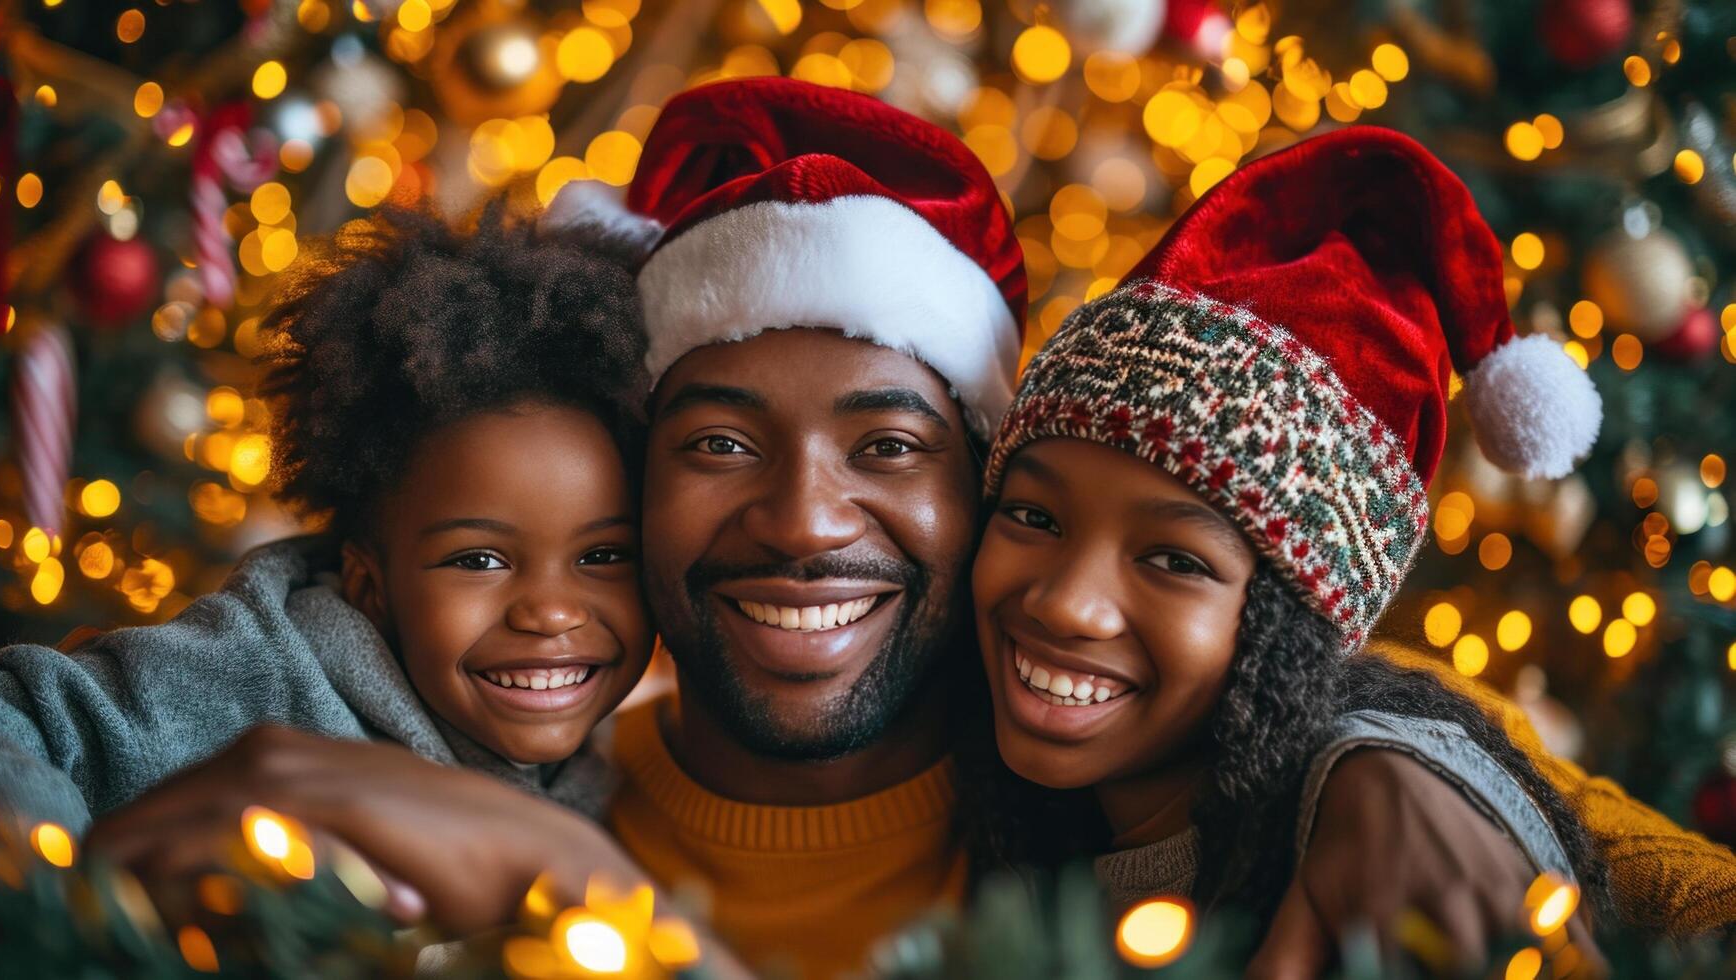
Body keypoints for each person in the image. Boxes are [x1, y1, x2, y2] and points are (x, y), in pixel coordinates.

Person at [84, 81, 1736, 978]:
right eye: (717, 441)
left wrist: (1404, 760)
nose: (802, 521)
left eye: (886, 446)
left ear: (976, 484)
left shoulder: (1174, 798)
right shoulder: (426, 778)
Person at [967, 127, 1613, 964]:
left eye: (1175, 561)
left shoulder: (1360, 872)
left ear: (1294, 629)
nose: (1064, 602)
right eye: (1033, 518)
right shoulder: (1001, 812)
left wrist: (1401, 768)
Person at [0, 205, 654, 835]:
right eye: (478, 560)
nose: (550, 613)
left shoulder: (607, 775)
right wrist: (63, 913)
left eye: (602, 556)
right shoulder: (243, 677)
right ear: (369, 585)